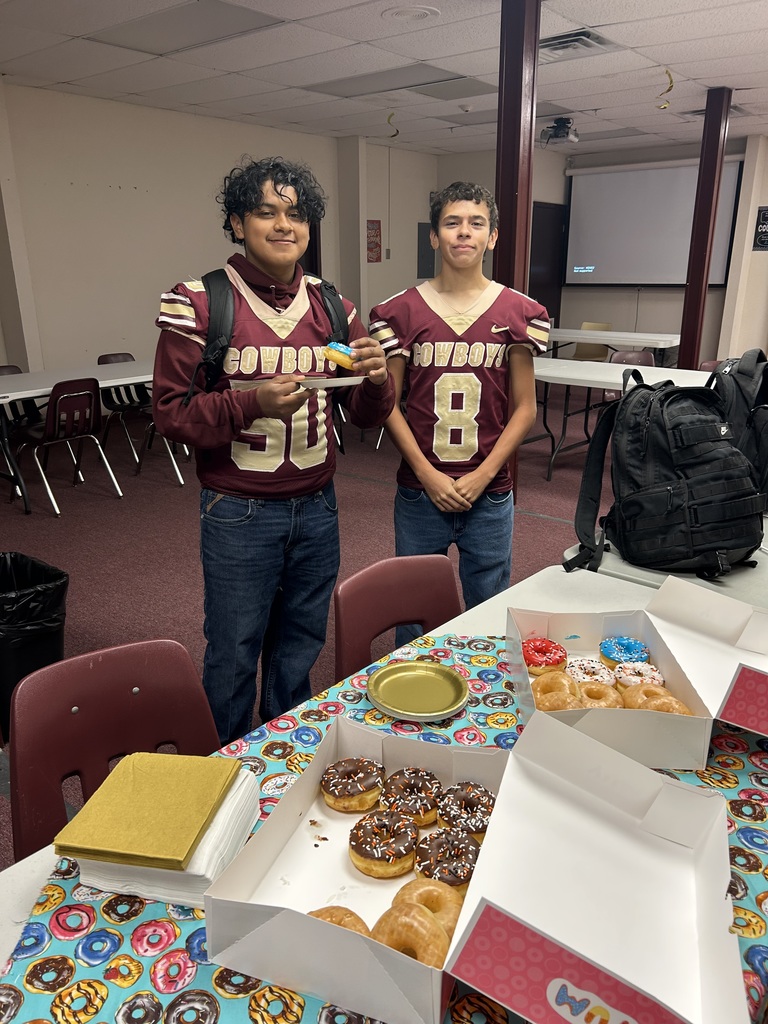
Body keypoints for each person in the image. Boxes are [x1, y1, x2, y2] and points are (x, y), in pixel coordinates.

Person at [152, 156, 394, 745]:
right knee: (234, 650)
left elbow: (362, 417)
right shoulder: (202, 302)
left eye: (296, 214)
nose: (284, 225)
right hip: (239, 510)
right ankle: (227, 767)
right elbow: (169, 414)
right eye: (266, 212)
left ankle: (286, 754)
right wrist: (249, 404)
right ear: (237, 222)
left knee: (300, 644)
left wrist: (377, 378)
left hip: (318, 505)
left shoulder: (332, 306)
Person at [368, 181, 549, 644]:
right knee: (411, 607)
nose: (463, 233)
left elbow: (525, 408)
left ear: (492, 237)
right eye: (452, 223)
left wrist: (483, 475)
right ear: (433, 236)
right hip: (419, 490)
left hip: (488, 491)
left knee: (488, 608)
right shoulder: (399, 312)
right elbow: (389, 403)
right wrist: (428, 474)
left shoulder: (518, 311)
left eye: (476, 223)